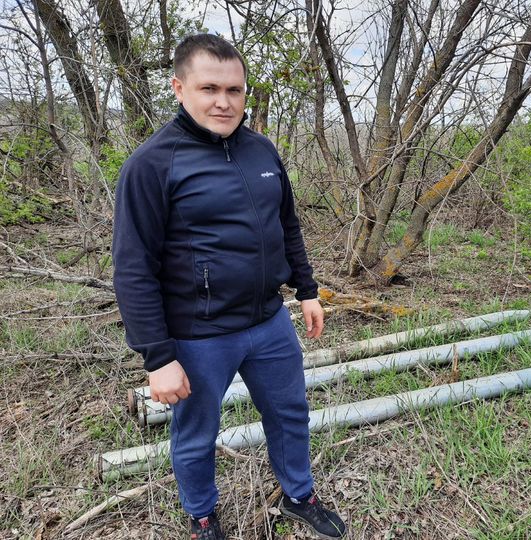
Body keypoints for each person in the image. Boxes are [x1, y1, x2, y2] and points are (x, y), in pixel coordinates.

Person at [112, 33, 346, 540]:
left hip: (267, 322)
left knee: (290, 413)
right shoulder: (152, 164)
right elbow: (132, 269)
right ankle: (202, 517)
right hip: (198, 335)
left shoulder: (261, 149)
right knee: (196, 435)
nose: (224, 101)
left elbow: (287, 225)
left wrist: (306, 290)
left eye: (235, 90)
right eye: (209, 88)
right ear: (179, 88)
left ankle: (298, 496)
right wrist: (157, 357)